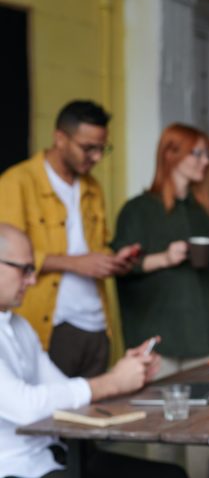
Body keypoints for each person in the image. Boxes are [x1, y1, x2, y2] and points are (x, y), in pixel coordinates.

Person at [0, 223, 187, 478]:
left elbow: (64, 388)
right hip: (21, 470)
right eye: (25, 270)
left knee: (171, 475)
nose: (32, 280)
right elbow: (26, 407)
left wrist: (127, 373)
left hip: (60, 457)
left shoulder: (19, 325)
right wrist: (112, 382)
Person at [110, 123, 209, 478]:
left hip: (204, 336)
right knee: (162, 438)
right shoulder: (138, 210)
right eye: (197, 152)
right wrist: (164, 257)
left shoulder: (203, 210)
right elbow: (119, 266)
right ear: (170, 154)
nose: (205, 161)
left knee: (205, 437)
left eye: (208, 154)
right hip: (160, 338)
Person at [0, 100, 140, 378]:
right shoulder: (17, 182)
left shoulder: (93, 188)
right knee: (53, 414)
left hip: (97, 325)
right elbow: (7, 257)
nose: (97, 157)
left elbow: (95, 247)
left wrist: (113, 262)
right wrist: (76, 264)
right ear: (60, 139)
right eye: (89, 148)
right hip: (51, 325)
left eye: (102, 148)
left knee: (97, 412)